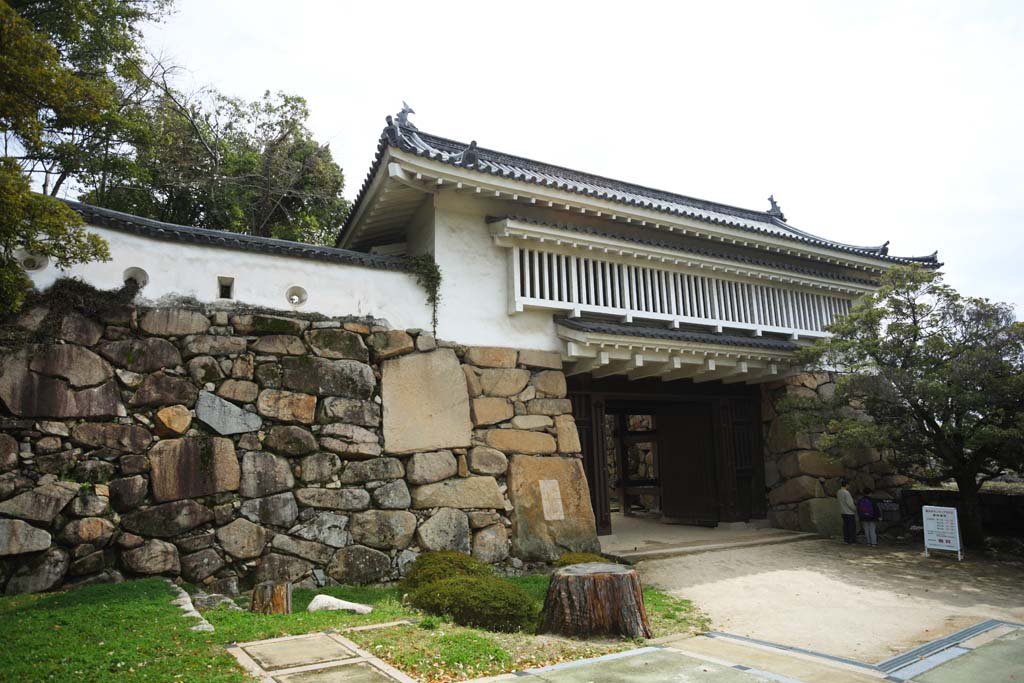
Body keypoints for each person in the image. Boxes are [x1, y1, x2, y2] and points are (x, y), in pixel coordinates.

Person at [837, 478, 856, 544]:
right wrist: (855, 509)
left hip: (842, 511)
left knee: (845, 526)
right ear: (847, 485)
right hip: (849, 512)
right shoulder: (846, 493)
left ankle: (846, 540)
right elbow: (850, 503)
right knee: (851, 527)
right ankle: (852, 540)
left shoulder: (839, 492)